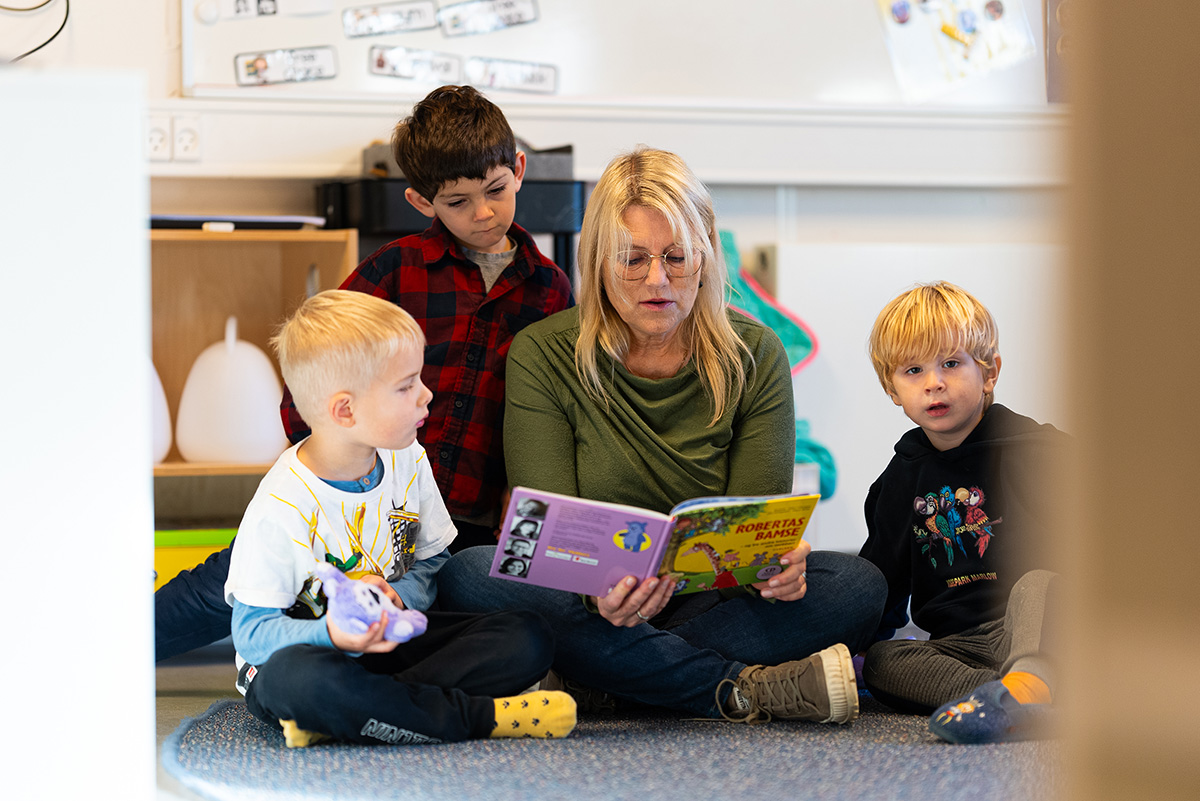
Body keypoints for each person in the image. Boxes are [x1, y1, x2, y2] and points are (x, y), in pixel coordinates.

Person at [438, 147, 886, 725]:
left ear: (704, 258)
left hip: (707, 600)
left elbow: (748, 537)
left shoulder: (756, 354)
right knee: (467, 575)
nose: (657, 279)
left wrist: (779, 567)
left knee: (857, 584)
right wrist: (597, 595)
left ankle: (605, 680)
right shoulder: (543, 353)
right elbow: (549, 537)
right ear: (597, 261)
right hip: (587, 601)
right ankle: (735, 689)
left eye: (676, 257)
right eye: (632, 259)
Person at [154, 84, 573, 661]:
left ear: (520, 170)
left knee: (467, 622)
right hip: (351, 506)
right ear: (422, 202)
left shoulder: (550, 288)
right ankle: (77, 648)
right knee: (217, 591)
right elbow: (310, 386)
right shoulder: (393, 271)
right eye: (458, 202)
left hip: (461, 528)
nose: (482, 212)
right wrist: (336, 488)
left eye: (496, 191)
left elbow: (544, 411)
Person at [225, 290, 575, 747]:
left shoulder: (407, 457)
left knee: (527, 636)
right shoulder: (281, 506)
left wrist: (400, 597)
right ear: (345, 410)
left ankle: (354, 713)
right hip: (312, 657)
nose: (426, 395)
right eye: (406, 385)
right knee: (299, 681)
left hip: (393, 650)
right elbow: (253, 635)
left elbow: (431, 561)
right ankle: (478, 717)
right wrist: (333, 633)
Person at [857, 281, 1067, 743]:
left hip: (1041, 626)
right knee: (883, 661)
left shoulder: (1040, 450)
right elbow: (882, 585)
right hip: (961, 645)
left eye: (951, 363)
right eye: (913, 370)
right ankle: (1012, 700)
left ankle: (1032, 682)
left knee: (1041, 585)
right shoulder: (899, 481)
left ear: (989, 372)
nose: (934, 382)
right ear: (891, 389)